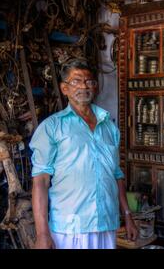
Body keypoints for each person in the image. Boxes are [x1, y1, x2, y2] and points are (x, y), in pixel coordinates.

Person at [30, 58, 138, 249]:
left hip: (106, 223)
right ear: (65, 89)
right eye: (76, 81)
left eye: (89, 81)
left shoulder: (109, 126)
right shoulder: (52, 127)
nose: (83, 86)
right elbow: (41, 181)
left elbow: (116, 174)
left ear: (95, 87)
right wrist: (42, 234)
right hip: (71, 228)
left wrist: (128, 216)